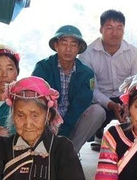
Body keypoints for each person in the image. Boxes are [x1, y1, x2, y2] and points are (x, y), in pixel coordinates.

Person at [33, 25, 107, 153]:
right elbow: (36, 100)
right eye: (63, 43)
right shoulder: (42, 68)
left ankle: (70, 152)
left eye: (73, 44)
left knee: (98, 112)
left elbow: (79, 106)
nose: (68, 49)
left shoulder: (86, 73)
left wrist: (63, 132)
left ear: (79, 48)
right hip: (46, 123)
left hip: (72, 123)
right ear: (56, 45)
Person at [79, 9, 137, 151]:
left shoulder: (134, 53)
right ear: (101, 29)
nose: (115, 33)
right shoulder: (87, 54)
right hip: (101, 99)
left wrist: (128, 104)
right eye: (109, 28)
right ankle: (95, 135)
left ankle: (136, 143)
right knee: (96, 111)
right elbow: (91, 89)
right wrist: (110, 104)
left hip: (125, 98)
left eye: (119, 28)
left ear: (124, 30)